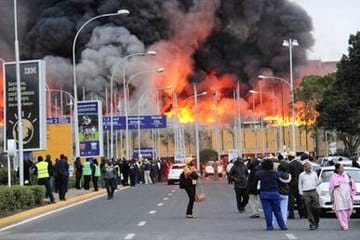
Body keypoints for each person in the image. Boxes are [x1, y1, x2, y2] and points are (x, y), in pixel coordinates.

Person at [256, 159, 288, 231]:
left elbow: (256, 174)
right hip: (274, 193)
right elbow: (280, 175)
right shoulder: (276, 173)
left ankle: (269, 226)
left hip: (264, 193)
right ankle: (282, 226)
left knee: (267, 211)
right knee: (277, 211)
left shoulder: (260, 174)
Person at [329, 163, 357, 230]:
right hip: (338, 194)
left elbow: (352, 184)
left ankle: (345, 222)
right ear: (337, 169)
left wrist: (352, 192)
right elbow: (331, 188)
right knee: (340, 210)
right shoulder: (333, 176)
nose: (342, 169)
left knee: (349, 209)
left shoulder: (347, 175)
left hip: (347, 194)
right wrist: (332, 197)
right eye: (341, 167)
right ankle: (344, 225)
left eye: (343, 167)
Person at [298, 161, 321, 230]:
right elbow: (300, 185)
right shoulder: (301, 175)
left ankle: (316, 221)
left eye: (309, 166)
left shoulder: (314, 174)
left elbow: (317, 182)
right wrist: (301, 193)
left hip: (313, 191)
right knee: (308, 208)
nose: (308, 167)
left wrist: (319, 183)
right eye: (306, 166)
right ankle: (311, 223)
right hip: (305, 192)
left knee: (316, 207)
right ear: (304, 168)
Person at [272, 163, 291, 228]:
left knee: (275, 209)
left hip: (277, 193)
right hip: (286, 193)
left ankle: (274, 224)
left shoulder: (277, 174)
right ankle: (284, 223)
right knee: (284, 209)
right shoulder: (289, 175)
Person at [288, 151, 306, 219]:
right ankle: (301, 214)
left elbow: (289, 175)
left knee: (291, 200)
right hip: (299, 183)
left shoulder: (289, 165)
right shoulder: (300, 164)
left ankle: (291, 214)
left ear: (289, 157)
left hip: (292, 184)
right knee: (299, 200)